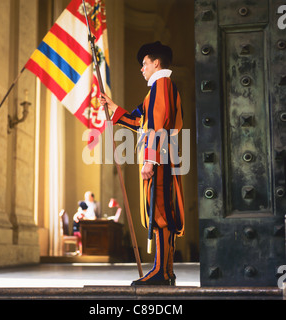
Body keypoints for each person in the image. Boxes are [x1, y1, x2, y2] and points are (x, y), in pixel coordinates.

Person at [99, 41, 185, 286]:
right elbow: (140, 120)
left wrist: (149, 159)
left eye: (144, 63)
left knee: (159, 213)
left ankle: (160, 272)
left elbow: (157, 126)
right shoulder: (159, 88)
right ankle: (166, 272)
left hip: (159, 159)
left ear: (155, 63)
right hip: (165, 157)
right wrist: (113, 107)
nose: (141, 68)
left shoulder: (161, 84)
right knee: (163, 211)